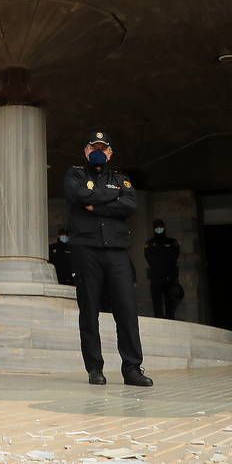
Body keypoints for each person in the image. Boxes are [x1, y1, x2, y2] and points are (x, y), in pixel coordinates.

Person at [64, 131, 152, 387]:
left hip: (116, 251)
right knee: (89, 310)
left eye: (103, 148)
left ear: (110, 153)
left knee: (126, 310)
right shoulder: (76, 175)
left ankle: (132, 369)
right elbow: (78, 196)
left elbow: (130, 205)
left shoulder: (121, 179)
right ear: (86, 151)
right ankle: (95, 368)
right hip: (86, 249)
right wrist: (109, 197)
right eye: (94, 147)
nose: (99, 151)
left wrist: (95, 205)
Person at [145, 219, 182, 320]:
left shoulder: (172, 242)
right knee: (157, 302)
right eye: (156, 227)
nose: (159, 229)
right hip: (156, 277)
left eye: (160, 227)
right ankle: (159, 319)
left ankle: (170, 318)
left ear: (164, 227)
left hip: (169, 276)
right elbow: (149, 258)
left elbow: (174, 255)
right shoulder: (150, 243)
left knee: (170, 300)